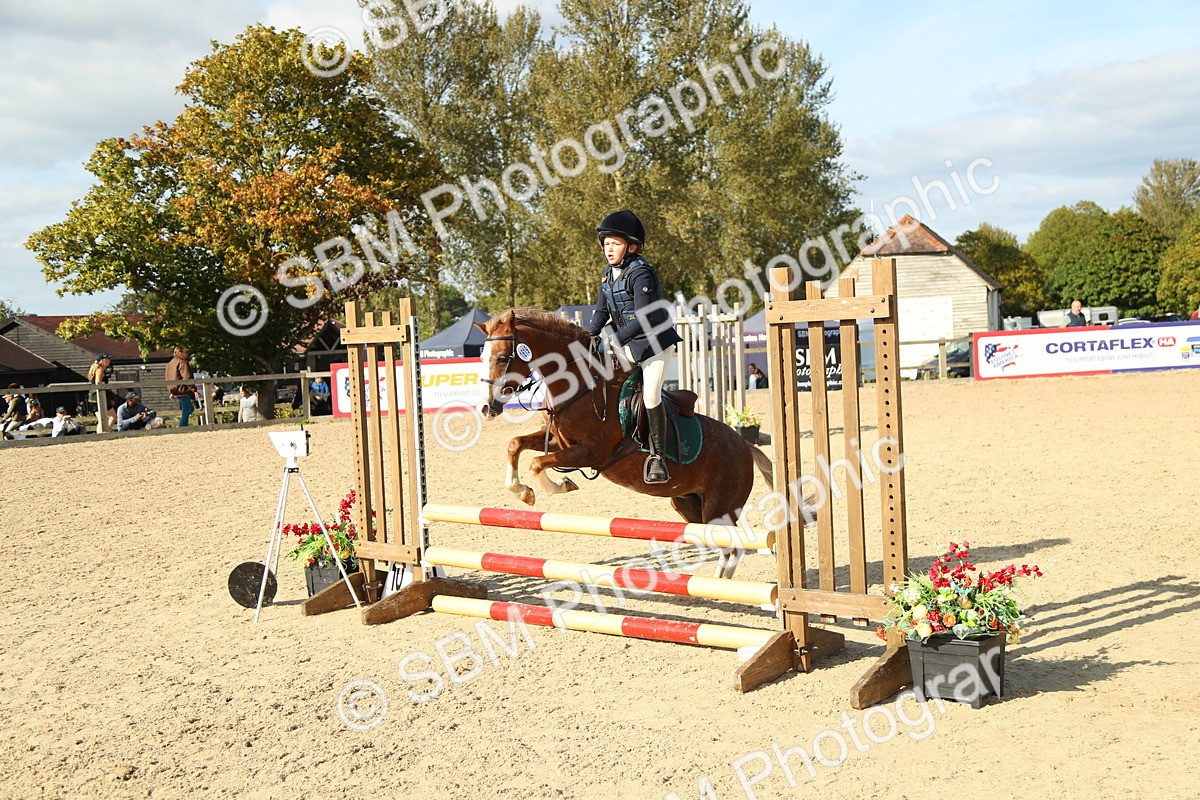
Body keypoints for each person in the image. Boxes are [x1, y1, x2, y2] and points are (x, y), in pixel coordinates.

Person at [583, 209, 682, 484]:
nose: (608, 249)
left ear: (632, 247)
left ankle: (659, 458)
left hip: (654, 346)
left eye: (615, 243)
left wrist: (615, 339)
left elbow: (643, 318)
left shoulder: (641, 273)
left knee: (650, 396)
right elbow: (601, 312)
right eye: (606, 243)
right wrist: (588, 335)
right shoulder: (607, 274)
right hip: (627, 343)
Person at [165, 347, 201, 427]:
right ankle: (182, 426)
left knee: (190, 408)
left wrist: (172, 391)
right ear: (180, 352)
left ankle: (180, 423)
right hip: (183, 390)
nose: (186, 354)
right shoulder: (182, 363)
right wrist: (194, 390)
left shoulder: (170, 364)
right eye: (185, 352)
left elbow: (170, 377)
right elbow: (187, 377)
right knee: (186, 410)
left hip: (175, 390)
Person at [87, 353, 119, 429]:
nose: (109, 360)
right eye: (107, 359)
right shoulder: (99, 370)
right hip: (98, 397)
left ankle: (103, 432)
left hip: (94, 397)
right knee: (109, 418)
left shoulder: (97, 369)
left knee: (105, 419)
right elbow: (98, 383)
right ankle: (103, 433)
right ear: (102, 361)